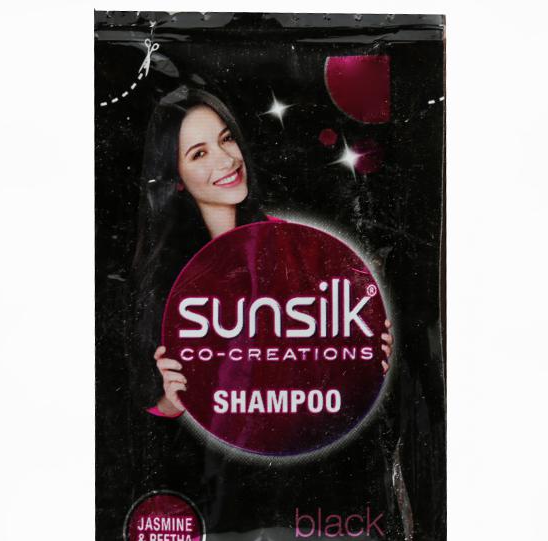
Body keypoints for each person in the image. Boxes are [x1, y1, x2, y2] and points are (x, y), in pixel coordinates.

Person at [128, 88, 393, 419]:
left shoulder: (298, 245)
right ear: (176, 178)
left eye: (226, 139)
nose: (227, 160)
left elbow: (342, 349)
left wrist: (368, 354)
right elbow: (152, 403)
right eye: (199, 154)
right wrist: (172, 402)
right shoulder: (168, 277)